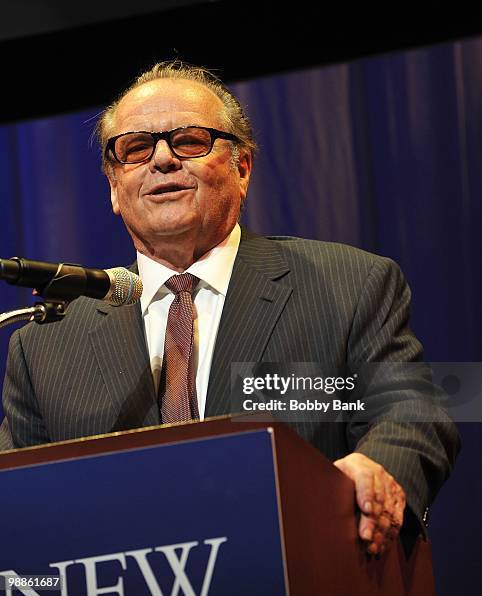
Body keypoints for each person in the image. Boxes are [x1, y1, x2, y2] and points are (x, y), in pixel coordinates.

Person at [0, 61, 459, 557]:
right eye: (135, 149)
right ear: (114, 188)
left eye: (190, 141)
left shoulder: (347, 285)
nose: (162, 160)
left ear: (242, 169)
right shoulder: (45, 342)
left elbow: (415, 412)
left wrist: (381, 468)